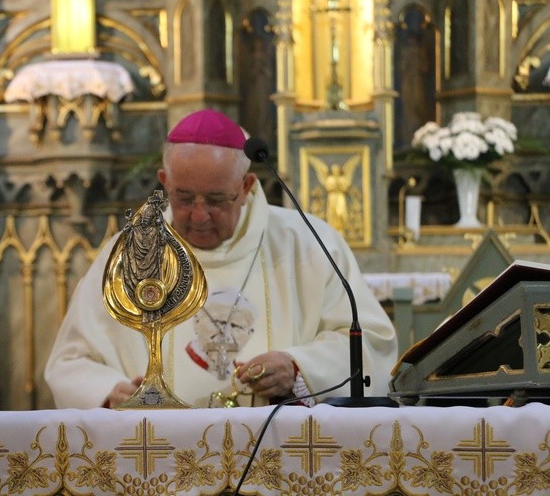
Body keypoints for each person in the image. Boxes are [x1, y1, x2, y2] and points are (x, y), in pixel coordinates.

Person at [44, 109, 398, 409]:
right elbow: (71, 362)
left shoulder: (307, 243)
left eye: (216, 200)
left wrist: (299, 368)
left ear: (245, 187)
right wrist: (110, 391)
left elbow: (370, 343)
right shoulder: (131, 253)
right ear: (165, 182)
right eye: (184, 198)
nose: (199, 215)